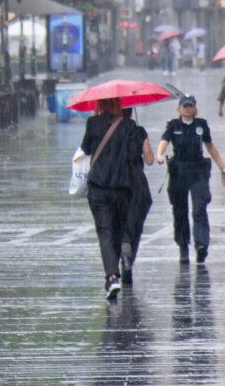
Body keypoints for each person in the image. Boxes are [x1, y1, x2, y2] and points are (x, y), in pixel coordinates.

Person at [80, 97, 148, 299]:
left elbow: (86, 149)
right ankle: (123, 260)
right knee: (118, 230)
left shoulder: (93, 124)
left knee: (105, 232)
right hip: (122, 188)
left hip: (99, 187)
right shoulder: (130, 126)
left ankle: (111, 277)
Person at [156, 95, 225, 264]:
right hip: (179, 173)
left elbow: (210, 146)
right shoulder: (173, 125)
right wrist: (160, 154)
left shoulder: (201, 125)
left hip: (197, 172)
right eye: (185, 106)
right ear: (179, 108)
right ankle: (183, 246)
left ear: (195, 108)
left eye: (190, 106)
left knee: (199, 209)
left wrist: (222, 168)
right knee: (180, 211)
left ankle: (201, 245)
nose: (187, 109)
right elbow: (164, 141)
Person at [121, 107, 154, 285]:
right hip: (137, 182)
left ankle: (123, 243)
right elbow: (149, 159)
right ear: (131, 113)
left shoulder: (110, 132)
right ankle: (129, 257)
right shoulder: (139, 131)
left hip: (116, 181)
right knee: (136, 222)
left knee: (120, 220)